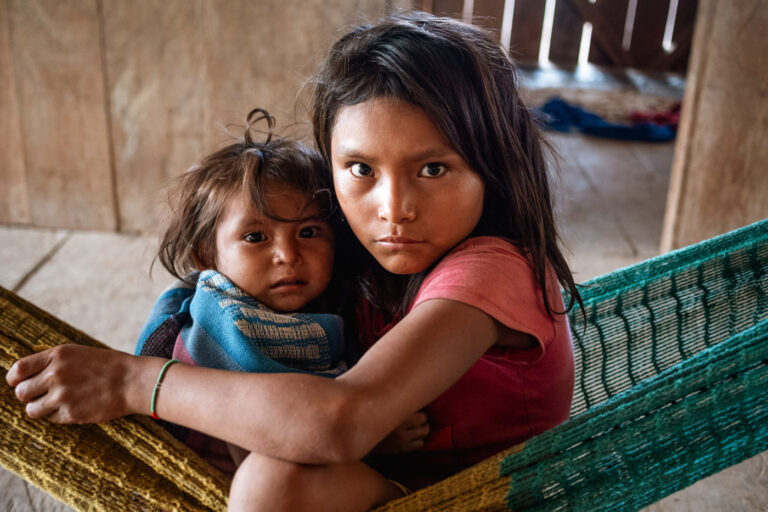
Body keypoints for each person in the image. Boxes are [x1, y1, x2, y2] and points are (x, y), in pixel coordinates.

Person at [6, 11, 581, 511]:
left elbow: (341, 421)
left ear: (494, 164)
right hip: (376, 470)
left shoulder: (493, 270)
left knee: (275, 479)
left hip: (469, 498)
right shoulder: (355, 242)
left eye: (433, 169)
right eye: (361, 169)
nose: (394, 210)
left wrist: (131, 381)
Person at [135, 108, 429, 475]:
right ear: (206, 256)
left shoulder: (337, 308)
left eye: (308, 232)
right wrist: (372, 442)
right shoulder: (224, 326)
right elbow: (263, 460)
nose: (288, 256)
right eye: (255, 237)